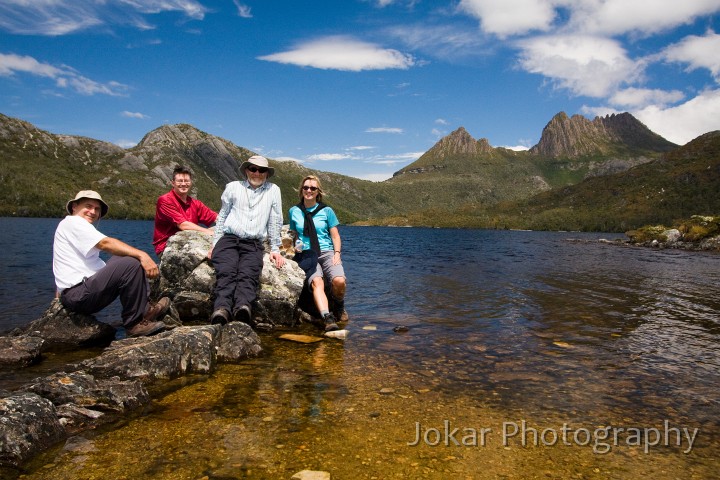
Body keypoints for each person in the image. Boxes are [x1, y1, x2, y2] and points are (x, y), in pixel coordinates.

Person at [53, 190, 170, 337]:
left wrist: (59, 295)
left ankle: (145, 310)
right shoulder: (73, 222)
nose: (93, 211)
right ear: (74, 207)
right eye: (88, 206)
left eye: (97, 209)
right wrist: (143, 255)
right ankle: (134, 324)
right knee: (131, 262)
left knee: (123, 259)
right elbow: (105, 243)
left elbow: (64, 263)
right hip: (79, 295)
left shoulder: (69, 226)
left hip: (77, 295)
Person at [209, 155, 285, 327]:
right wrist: (214, 244)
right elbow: (222, 216)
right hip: (229, 239)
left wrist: (275, 248)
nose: (257, 173)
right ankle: (222, 309)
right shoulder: (232, 187)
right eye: (253, 169)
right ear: (246, 170)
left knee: (249, 272)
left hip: (253, 243)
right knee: (226, 270)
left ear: (267, 173)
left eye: (261, 170)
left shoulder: (273, 190)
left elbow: (275, 220)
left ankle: (243, 308)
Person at [289, 175, 347, 332]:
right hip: (307, 253)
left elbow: (335, 235)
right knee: (317, 283)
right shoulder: (294, 211)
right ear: (301, 190)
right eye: (306, 187)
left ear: (318, 191)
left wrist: (337, 253)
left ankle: (339, 306)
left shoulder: (327, 211)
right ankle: (327, 318)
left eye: (313, 188)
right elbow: (295, 235)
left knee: (339, 281)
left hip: (327, 251)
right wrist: (296, 248)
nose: (309, 190)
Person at [153, 165, 217, 257]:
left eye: (186, 181)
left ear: (190, 183)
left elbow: (215, 217)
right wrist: (208, 232)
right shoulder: (165, 200)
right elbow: (183, 225)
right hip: (167, 246)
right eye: (180, 181)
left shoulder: (195, 203)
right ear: (173, 183)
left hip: (188, 241)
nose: (183, 184)